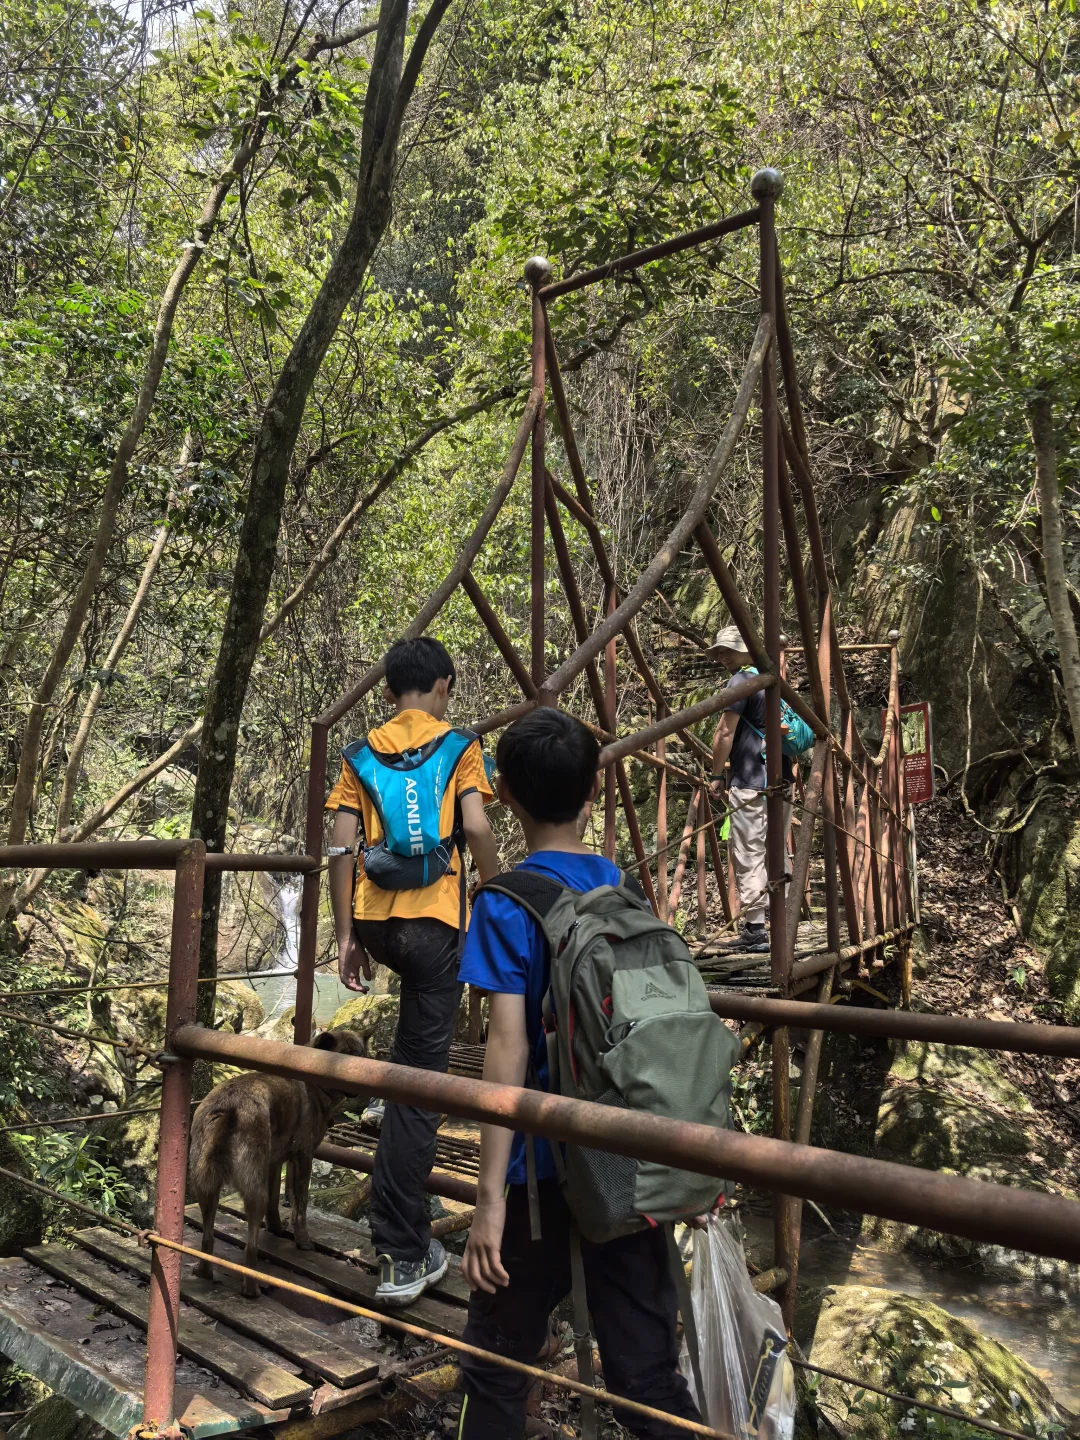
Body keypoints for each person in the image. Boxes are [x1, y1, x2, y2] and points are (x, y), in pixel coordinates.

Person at [455, 708, 702, 1440]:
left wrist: (487, 1201)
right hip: (624, 1160)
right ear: (593, 791)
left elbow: (506, 1051)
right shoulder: (624, 891)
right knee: (648, 1378)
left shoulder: (504, 903)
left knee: (495, 1368)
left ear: (505, 794)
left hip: (536, 1177)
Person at [325, 636, 500, 1306]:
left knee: (409, 1061)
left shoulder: (359, 754)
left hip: (375, 921)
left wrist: (347, 935)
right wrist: (498, 889)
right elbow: (476, 828)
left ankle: (388, 1114)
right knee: (423, 1085)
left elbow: (342, 848)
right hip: (433, 928)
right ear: (443, 685)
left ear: (389, 690)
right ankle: (402, 1252)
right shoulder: (460, 747)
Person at [707, 625, 793, 953]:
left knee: (749, 853)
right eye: (719, 651)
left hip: (750, 782)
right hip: (782, 781)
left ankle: (756, 930)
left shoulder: (741, 681)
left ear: (747, 650)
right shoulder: (776, 681)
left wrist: (717, 774)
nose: (723, 656)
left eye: (729, 649)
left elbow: (724, 733)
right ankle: (784, 924)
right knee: (775, 850)